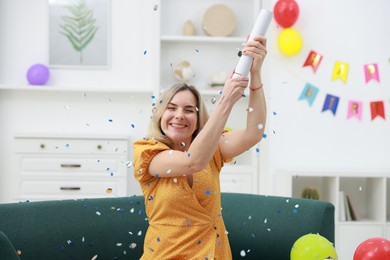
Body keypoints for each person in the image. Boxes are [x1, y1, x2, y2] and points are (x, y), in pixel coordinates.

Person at [132, 35, 267, 259]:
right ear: (159, 114)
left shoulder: (212, 148)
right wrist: (226, 100)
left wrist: (256, 73)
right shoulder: (147, 153)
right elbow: (192, 162)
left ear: (198, 116)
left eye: (188, 110)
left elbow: (255, 132)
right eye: (171, 108)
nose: (179, 116)